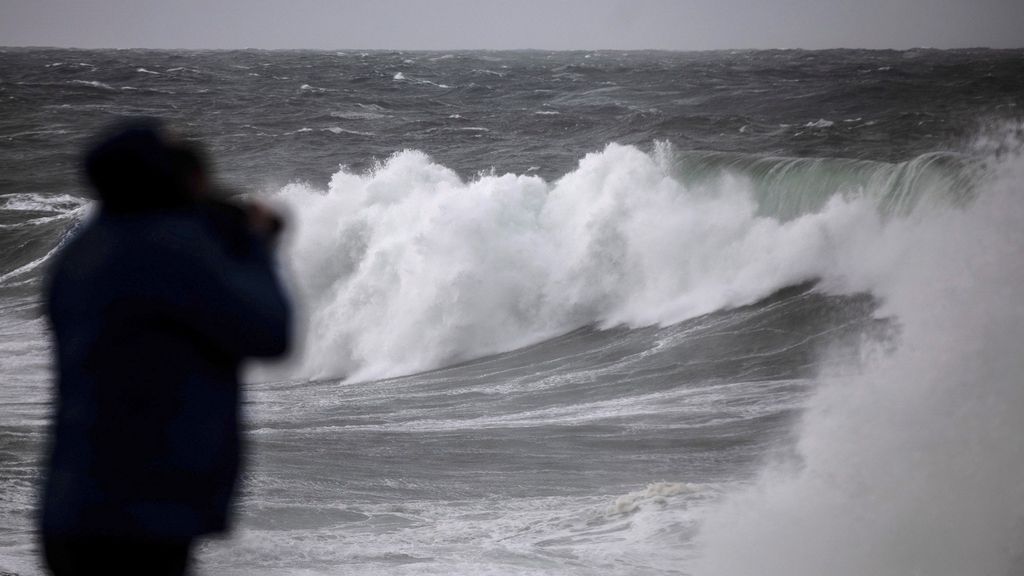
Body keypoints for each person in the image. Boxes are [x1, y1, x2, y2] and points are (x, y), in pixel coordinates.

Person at [40, 119, 291, 575]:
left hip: (75, 504)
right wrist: (255, 246)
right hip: (140, 513)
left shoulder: (85, 252)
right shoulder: (169, 250)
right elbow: (271, 333)